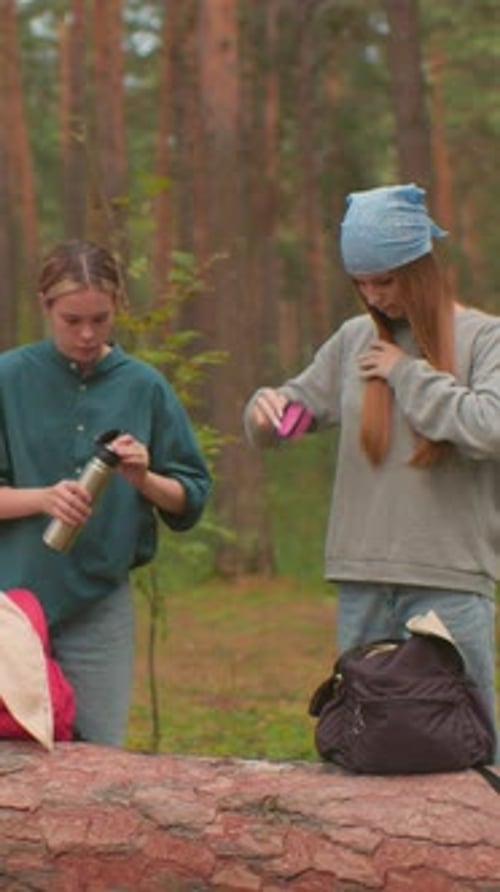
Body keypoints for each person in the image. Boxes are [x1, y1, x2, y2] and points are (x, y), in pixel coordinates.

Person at [243, 182, 500, 745]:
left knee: (469, 745)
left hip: (449, 581)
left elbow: (490, 427)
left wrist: (406, 373)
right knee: (366, 742)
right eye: (360, 283)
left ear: (421, 267)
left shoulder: (484, 338)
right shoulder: (353, 340)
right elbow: (292, 409)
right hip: (362, 579)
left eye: (385, 280)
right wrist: (265, 412)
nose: (374, 296)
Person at [0, 240, 212, 746]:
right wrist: (44, 499)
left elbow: (191, 495)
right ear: (45, 306)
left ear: (118, 306)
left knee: (98, 759)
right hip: (13, 604)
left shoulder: (144, 386)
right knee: (12, 755)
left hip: (101, 603)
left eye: (100, 318)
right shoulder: (9, 378)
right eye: (72, 320)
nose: (87, 334)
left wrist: (144, 479)